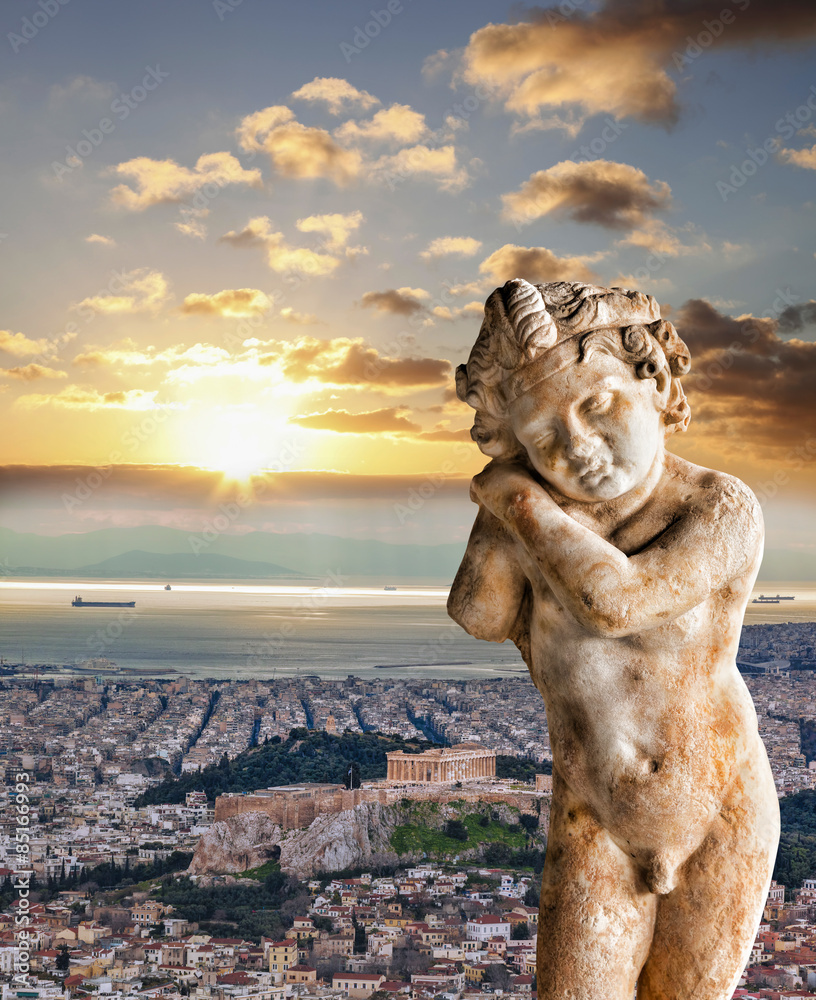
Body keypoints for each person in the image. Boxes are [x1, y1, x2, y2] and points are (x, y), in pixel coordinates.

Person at [448, 278, 779, 1000]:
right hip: (593, 812)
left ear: (653, 380)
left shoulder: (719, 506)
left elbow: (617, 601)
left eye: (598, 405)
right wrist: (517, 496)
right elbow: (477, 611)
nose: (581, 446)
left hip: (719, 805)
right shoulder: (538, 519)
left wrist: (512, 493)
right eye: (544, 437)